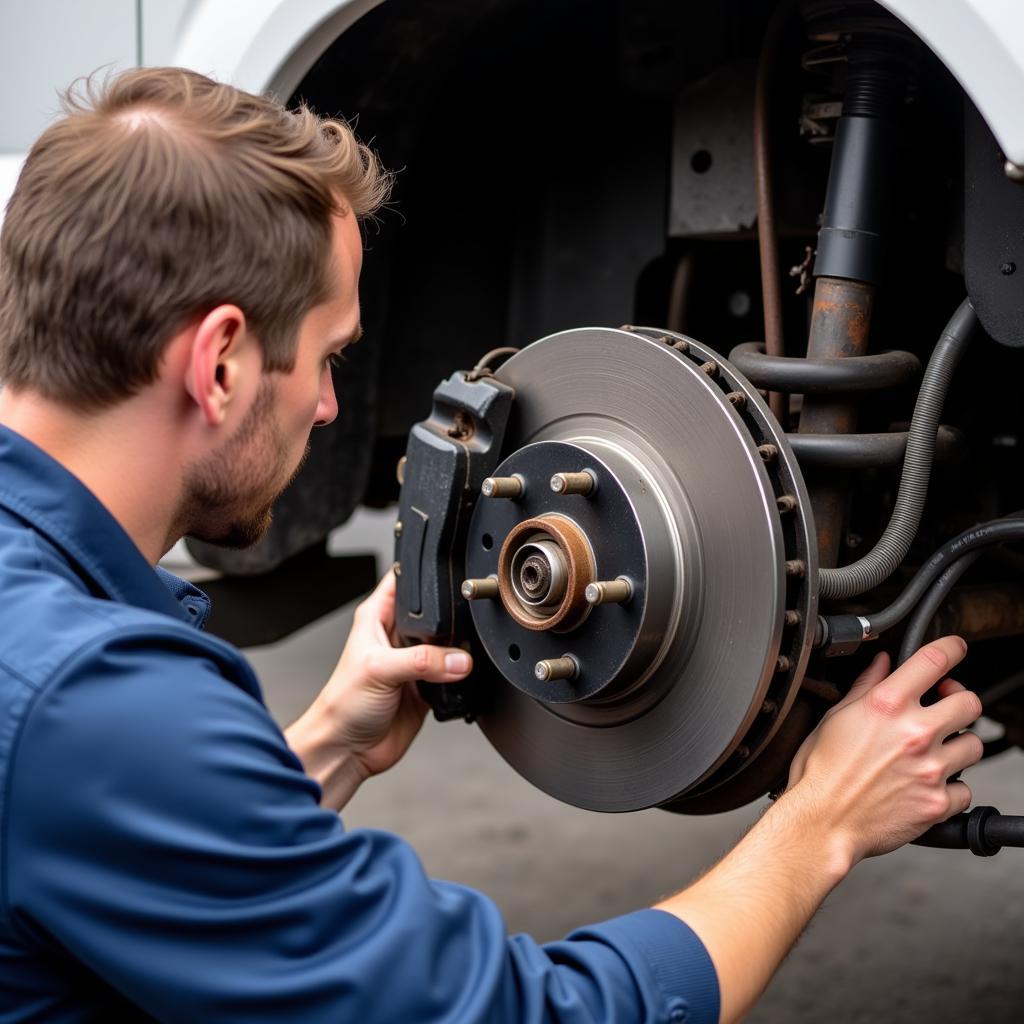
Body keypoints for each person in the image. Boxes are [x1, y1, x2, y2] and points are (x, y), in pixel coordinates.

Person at [0, 67, 982, 1024]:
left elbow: (125, 846)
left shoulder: (59, 672)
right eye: (331, 355)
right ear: (218, 363)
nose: (336, 404)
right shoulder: (101, 703)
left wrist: (327, 744)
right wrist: (821, 819)